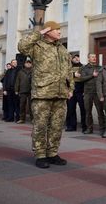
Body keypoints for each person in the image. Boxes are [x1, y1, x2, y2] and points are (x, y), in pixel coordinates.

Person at [18, 21, 73, 169]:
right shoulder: (37, 46)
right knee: (40, 126)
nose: (60, 32)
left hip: (61, 93)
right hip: (42, 93)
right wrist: (39, 33)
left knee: (56, 126)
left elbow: (69, 70)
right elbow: (22, 46)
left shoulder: (62, 49)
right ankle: (41, 155)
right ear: (48, 31)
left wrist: (70, 88)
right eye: (56, 30)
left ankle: (52, 153)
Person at [78, 53, 104, 135]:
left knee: (100, 112)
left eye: (95, 57)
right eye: (92, 57)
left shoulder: (100, 68)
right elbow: (82, 78)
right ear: (88, 58)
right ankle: (89, 128)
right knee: (88, 112)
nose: (94, 58)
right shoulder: (84, 68)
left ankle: (102, 129)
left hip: (97, 92)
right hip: (88, 92)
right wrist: (92, 75)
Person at [65, 54, 86, 132]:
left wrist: (85, 91)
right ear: (71, 59)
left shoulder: (83, 67)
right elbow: (64, 76)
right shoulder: (68, 68)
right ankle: (71, 126)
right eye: (74, 57)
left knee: (83, 109)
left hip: (81, 90)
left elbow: (86, 77)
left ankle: (85, 127)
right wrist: (74, 74)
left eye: (78, 57)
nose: (77, 58)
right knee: (71, 109)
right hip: (71, 91)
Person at [15, 59, 33, 124]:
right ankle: (22, 119)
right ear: (24, 64)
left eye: (29, 63)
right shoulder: (20, 72)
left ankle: (33, 119)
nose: (28, 64)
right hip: (22, 90)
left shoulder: (34, 71)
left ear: (31, 64)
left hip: (31, 91)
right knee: (22, 105)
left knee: (31, 106)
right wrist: (16, 90)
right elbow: (17, 81)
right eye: (27, 63)